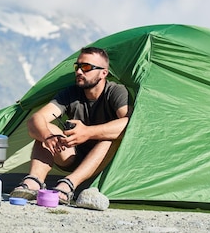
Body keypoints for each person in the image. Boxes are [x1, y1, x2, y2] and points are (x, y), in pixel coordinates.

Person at [10, 46, 132, 204]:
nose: (80, 72)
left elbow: (130, 124)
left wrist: (88, 132)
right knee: (45, 129)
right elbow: (36, 119)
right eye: (78, 66)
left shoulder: (116, 92)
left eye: (87, 67)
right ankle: (34, 183)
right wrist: (47, 136)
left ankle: (68, 185)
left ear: (104, 73)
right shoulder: (71, 93)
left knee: (110, 138)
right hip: (72, 156)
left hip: (106, 163)